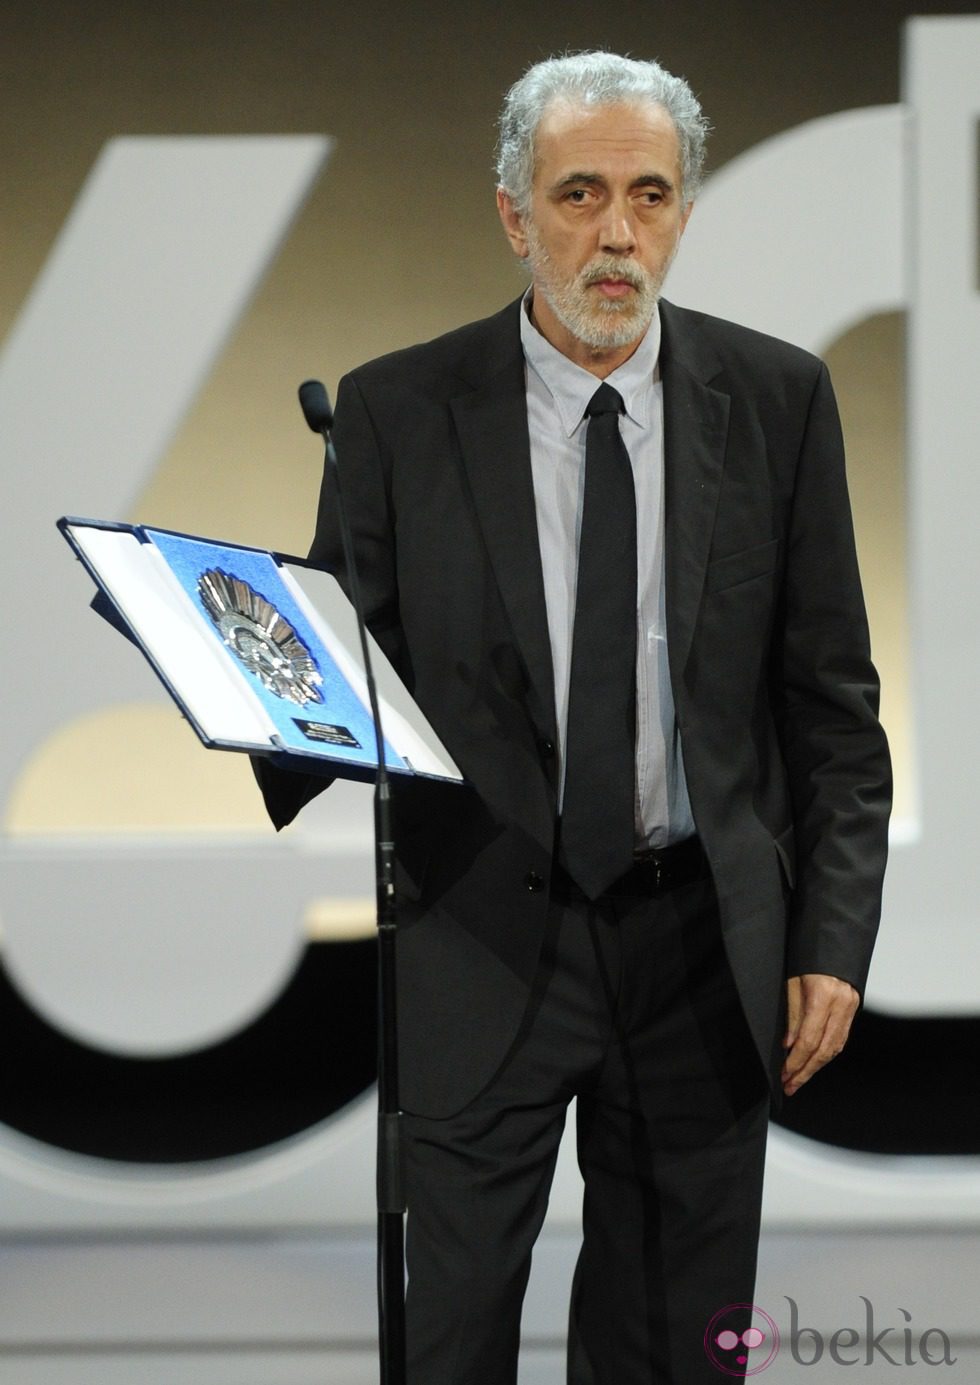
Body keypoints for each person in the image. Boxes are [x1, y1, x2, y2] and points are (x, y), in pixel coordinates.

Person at [256, 50, 891, 1385]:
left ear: (684, 211)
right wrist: (245, 667)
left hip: (701, 954)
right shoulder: (396, 414)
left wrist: (833, 937)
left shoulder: (777, 405)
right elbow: (337, 674)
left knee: (671, 1349)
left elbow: (831, 706)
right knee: (454, 1343)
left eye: (650, 195)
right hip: (483, 935)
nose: (617, 234)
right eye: (580, 193)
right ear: (512, 212)